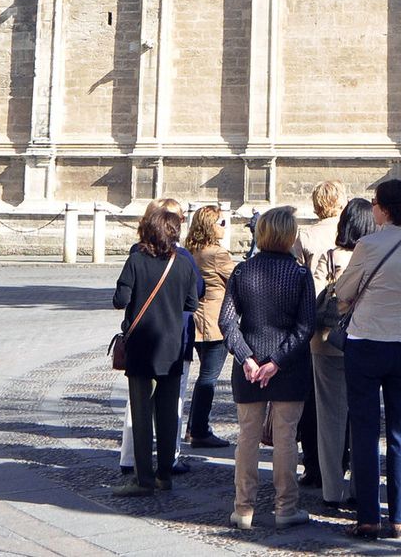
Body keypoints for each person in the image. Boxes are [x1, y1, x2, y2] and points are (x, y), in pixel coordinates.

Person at [336, 179, 401, 540]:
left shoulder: (367, 244)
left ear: (385, 209)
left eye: (375, 203)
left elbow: (344, 289)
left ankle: (368, 517)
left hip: (366, 341)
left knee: (363, 429)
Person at [220, 206, 317, 530]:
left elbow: (228, 322)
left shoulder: (242, 271)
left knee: (247, 437)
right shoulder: (301, 274)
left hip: (249, 365)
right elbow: (305, 327)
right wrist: (277, 361)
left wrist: (246, 357)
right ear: (290, 235)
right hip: (288, 365)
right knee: (286, 438)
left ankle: (243, 508)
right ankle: (285, 507)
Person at [111, 204, 200, 496]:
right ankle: (165, 475)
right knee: (166, 414)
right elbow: (191, 304)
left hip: (141, 348)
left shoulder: (135, 261)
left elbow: (120, 299)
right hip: (172, 347)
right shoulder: (184, 264)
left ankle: (143, 479)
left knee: (141, 414)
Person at [311, 196, 374, 514]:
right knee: (361, 419)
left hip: (326, 343)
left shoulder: (330, 255)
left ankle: (331, 490)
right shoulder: (375, 257)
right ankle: (359, 488)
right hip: (363, 342)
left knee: (329, 420)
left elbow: (315, 296)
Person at [293, 180, 346, 490]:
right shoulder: (354, 231)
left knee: (313, 400)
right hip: (347, 323)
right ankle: (342, 459)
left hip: (316, 324)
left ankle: (313, 464)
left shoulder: (307, 235)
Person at [186, 205, 237, 450]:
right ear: (210, 226)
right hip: (215, 322)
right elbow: (238, 279)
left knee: (204, 375)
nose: (224, 227)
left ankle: (193, 427)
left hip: (196, 319)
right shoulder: (217, 254)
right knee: (209, 378)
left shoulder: (192, 250)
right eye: (221, 223)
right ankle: (199, 429)